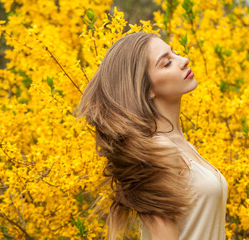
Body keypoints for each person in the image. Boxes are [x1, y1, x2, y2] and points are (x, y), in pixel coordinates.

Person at [74, 32, 228, 240]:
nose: (184, 60)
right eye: (166, 63)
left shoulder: (184, 146)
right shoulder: (160, 149)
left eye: (174, 53)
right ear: (146, 89)